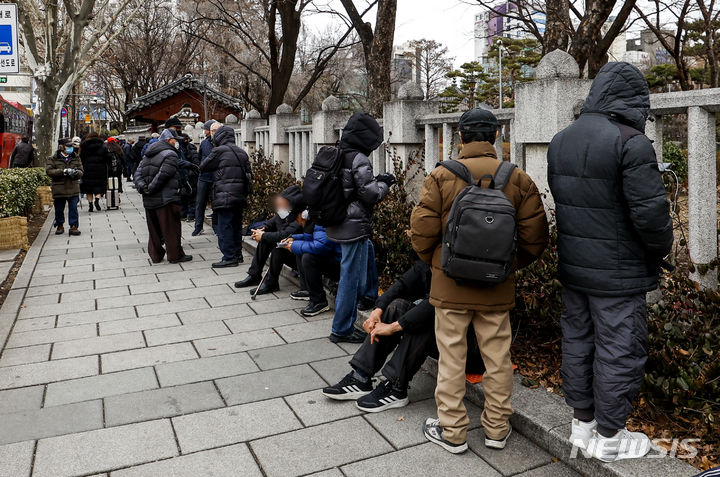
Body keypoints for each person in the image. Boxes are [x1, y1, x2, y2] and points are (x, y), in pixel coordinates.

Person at [547, 62, 673, 462]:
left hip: (574, 266)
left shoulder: (561, 138)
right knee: (619, 347)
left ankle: (581, 425)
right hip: (618, 272)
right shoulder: (631, 142)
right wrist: (659, 254)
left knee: (579, 341)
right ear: (634, 99)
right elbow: (651, 217)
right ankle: (610, 437)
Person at [411, 108, 548, 454]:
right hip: (496, 287)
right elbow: (536, 239)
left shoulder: (441, 175)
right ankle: (497, 430)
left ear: (460, 137)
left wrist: (442, 265)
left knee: (452, 357)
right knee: (498, 359)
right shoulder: (517, 178)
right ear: (496, 136)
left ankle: (453, 431)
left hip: (450, 287)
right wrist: (504, 266)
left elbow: (421, 234)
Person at [322, 259, 488, 413]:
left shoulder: (456, 262)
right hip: (445, 337)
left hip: (469, 349)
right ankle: (361, 377)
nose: (410, 233)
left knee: (426, 321)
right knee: (397, 306)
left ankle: (396, 388)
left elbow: (434, 305)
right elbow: (402, 284)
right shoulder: (432, 257)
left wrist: (393, 327)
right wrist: (377, 310)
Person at [324, 112, 394, 344]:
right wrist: (385, 182)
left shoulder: (334, 152)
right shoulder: (358, 159)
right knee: (350, 277)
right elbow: (371, 193)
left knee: (368, 250)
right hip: (351, 225)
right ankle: (341, 329)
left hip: (335, 220)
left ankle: (369, 296)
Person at [134, 128, 192, 264]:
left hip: (149, 198)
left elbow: (138, 173)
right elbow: (164, 174)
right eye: (174, 140)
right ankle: (175, 255)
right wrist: (152, 188)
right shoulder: (170, 154)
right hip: (166, 198)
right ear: (168, 140)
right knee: (171, 228)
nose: (176, 142)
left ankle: (156, 255)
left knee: (153, 229)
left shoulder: (148, 154)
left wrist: (143, 187)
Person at [234, 185, 304, 294]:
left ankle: (271, 283)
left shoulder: (300, 216)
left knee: (278, 247)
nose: (279, 204)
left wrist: (263, 235)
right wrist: (264, 228)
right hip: (290, 249)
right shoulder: (285, 211)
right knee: (265, 240)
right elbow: (272, 222)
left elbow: (285, 234)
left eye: (283, 202)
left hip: (299, 257)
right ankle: (254, 275)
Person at [199, 125, 251, 268]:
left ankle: (229, 257)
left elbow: (203, 166)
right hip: (239, 195)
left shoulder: (218, 151)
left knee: (225, 226)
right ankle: (237, 254)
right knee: (236, 225)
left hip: (224, 194)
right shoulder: (241, 152)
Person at [279, 209, 341, 317]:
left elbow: (321, 246)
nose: (297, 222)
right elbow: (312, 237)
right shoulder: (319, 213)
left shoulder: (323, 214)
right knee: (301, 249)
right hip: (334, 256)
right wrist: (293, 239)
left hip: (340, 262)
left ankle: (319, 301)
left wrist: (294, 246)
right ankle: (307, 289)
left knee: (308, 257)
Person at [46, 138, 83, 236]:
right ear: (61, 147)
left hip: (73, 187)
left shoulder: (76, 157)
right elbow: (49, 171)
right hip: (59, 188)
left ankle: (74, 226)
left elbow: (81, 171)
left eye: (71, 146)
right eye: (68, 146)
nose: (70, 148)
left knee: (73, 208)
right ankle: (59, 224)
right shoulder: (53, 158)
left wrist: (75, 173)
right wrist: (63, 171)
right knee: (59, 209)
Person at [193, 120, 217, 236]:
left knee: (216, 203)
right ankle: (198, 227)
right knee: (200, 202)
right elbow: (199, 157)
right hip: (204, 177)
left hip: (216, 177)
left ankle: (216, 227)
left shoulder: (220, 143)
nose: (205, 131)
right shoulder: (204, 143)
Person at [79, 131, 111, 212]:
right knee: (99, 186)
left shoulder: (84, 146)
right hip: (100, 169)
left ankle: (90, 204)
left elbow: (80, 158)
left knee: (88, 188)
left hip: (87, 169)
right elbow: (108, 157)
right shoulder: (103, 146)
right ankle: (97, 199)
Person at [180, 133, 200, 221]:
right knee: (190, 196)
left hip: (188, 175)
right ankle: (189, 214)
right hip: (190, 175)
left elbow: (196, 163)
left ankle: (186, 214)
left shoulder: (184, 150)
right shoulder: (192, 149)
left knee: (186, 196)